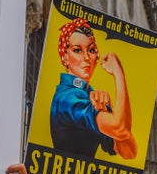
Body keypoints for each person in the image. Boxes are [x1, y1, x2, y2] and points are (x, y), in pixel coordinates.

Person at [51, 17, 137, 159]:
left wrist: (109, 110)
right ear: (65, 57)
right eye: (77, 50)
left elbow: (129, 152)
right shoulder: (67, 97)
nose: (86, 57)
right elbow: (121, 129)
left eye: (91, 50)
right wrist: (118, 73)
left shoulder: (89, 95)